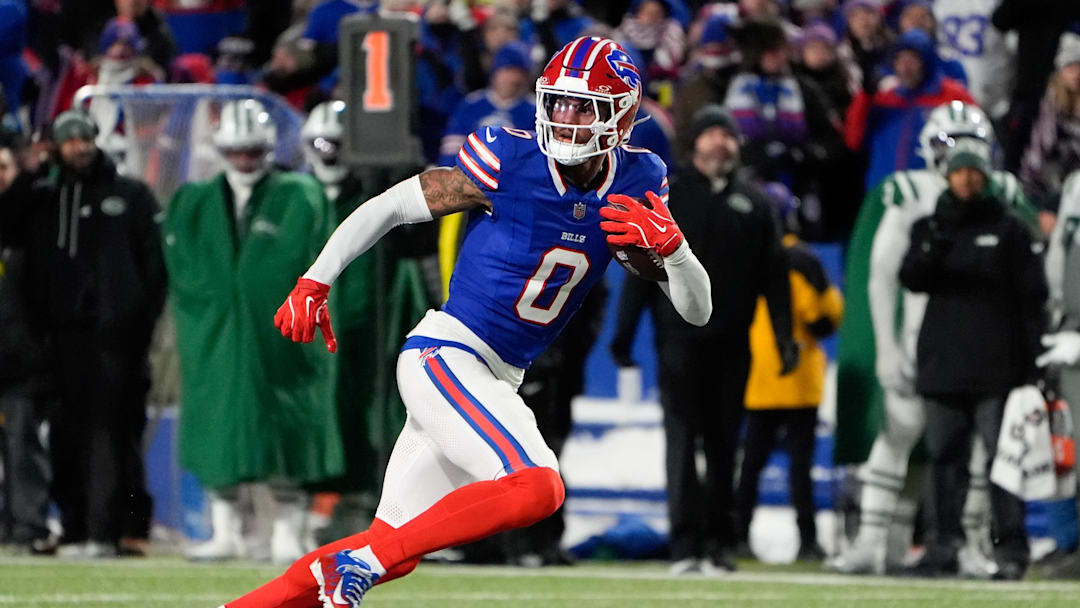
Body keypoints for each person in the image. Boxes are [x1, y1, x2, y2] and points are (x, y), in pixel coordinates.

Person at [221, 36, 711, 608]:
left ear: (622, 115)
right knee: (536, 486)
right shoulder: (511, 157)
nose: (565, 117)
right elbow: (393, 205)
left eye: (584, 107)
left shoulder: (639, 178)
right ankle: (360, 563)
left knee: (391, 548)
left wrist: (677, 254)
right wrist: (315, 279)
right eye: (557, 102)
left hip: (494, 374)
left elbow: (696, 310)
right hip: (449, 354)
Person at [831, 101, 1036, 577]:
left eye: (970, 146)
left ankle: (970, 544)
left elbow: (1029, 276)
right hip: (923, 341)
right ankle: (872, 542)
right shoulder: (909, 193)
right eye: (949, 143)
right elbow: (882, 274)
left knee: (979, 453)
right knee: (901, 432)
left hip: (983, 348)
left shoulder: (1002, 197)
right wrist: (886, 346)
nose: (959, 159)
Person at [611, 105, 795, 576]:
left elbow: (774, 278)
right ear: (694, 143)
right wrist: (624, 334)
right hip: (678, 343)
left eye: (727, 135)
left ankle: (718, 543)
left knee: (722, 446)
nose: (720, 143)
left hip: (733, 345)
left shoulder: (756, 203)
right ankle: (684, 544)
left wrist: (783, 338)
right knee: (681, 441)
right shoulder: (669, 195)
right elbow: (640, 269)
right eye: (711, 134)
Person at [164, 99, 344, 565]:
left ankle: (288, 530)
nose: (244, 159)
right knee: (217, 424)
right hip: (217, 335)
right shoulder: (195, 201)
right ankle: (225, 531)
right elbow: (184, 269)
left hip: (281, 336)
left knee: (287, 425)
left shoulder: (299, 195)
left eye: (252, 150)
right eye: (237, 150)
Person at [18, 110, 165, 558]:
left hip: (115, 341)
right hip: (59, 340)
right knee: (65, 434)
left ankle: (117, 530)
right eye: (70, 140)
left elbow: (156, 271)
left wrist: (137, 326)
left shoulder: (131, 195)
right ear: (56, 146)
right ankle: (77, 526)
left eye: (86, 137)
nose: (80, 146)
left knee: (116, 435)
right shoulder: (43, 198)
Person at [899, 142, 1047, 580]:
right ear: (947, 176)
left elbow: (1032, 298)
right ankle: (942, 548)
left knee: (1004, 464)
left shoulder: (1010, 229)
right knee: (945, 461)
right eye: (959, 172)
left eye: (974, 172)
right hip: (943, 366)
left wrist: (1032, 362)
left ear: (986, 176)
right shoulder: (929, 226)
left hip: (998, 369)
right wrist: (934, 243)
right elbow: (911, 278)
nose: (966, 179)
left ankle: (1011, 553)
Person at [735, 183, 844, 563]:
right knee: (800, 469)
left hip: (755, 377)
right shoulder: (802, 259)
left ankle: (737, 536)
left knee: (749, 466)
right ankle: (808, 541)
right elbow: (823, 319)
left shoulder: (745, 251)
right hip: (799, 379)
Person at [0, 131, 52, 555]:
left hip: (18, 359)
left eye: (2, 168)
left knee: (22, 445)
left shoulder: (25, 226)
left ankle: (29, 525)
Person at [845, 28, 975, 190]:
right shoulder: (884, 98)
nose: (905, 68)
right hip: (885, 190)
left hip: (935, 191)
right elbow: (854, 141)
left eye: (912, 60)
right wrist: (865, 97)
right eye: (900, 61)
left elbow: (975, 145)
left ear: (926, 62)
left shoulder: (952, 95)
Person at [1034, 166, 1080, 578]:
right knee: (1065, 446)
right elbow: (1059, 258)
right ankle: (1070, 544)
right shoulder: (1074, 185)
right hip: (1067, 333)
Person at [438, 42, 536, 168]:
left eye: (519, 72)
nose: (514, 78)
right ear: (495, 73)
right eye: (508, 71)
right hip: (470, 176)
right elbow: (451, 150)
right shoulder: (472, 104)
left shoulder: (535, 110)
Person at [1021, 34, 1080, 212]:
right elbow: (1038, 154)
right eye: (1070, 66)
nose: (1077, 73)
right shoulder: (1049, 105)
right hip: (1049, 191)